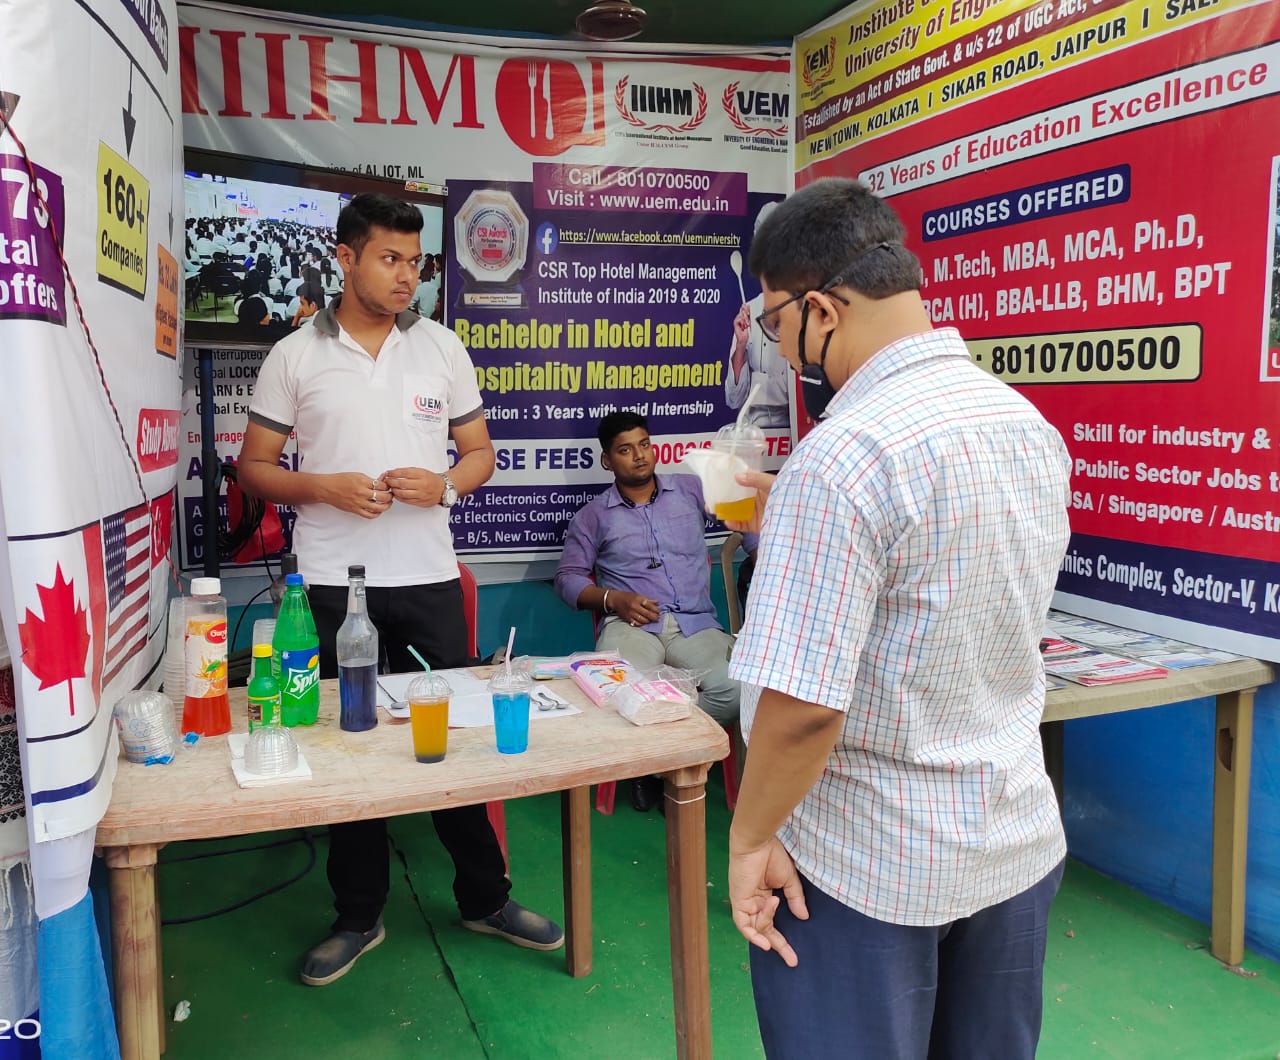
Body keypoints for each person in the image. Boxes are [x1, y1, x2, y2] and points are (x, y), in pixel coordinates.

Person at [723, 178, 1071, 1059]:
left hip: (864, 867)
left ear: (822, 311)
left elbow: (805, 706)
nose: (778, 347)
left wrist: (750, 838)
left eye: (775, 323)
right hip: (1010, 842)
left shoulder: (841, 457)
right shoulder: (1023, 422)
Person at [238, 193, 563, 988]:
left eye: (415, 263)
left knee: (452, 737)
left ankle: (485, 898)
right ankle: (358, 914)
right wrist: (324, 488)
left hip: (427, 577)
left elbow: (480, 453)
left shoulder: (442, 347)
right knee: (346, 747)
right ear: (345, 258)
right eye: (389, 259)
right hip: (331, 584)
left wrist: (444, 485)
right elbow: (253, 468)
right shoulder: (295, 355)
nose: (405, 277)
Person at [554, 411, 750, 811]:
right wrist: (614, 599)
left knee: (737, 689)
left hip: (695, 624)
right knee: (617, 692)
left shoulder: (690, 490)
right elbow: (567, 578)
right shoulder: (593, 516)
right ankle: (667, 763)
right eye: (625, 450)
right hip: (632, 627)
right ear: (607, 460)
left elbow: (744, 515)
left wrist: (762, 554)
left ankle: (660, 764)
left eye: (644, 444)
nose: (639, 455)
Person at [726, 202, 791, 429]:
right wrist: (741, 347)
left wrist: (758, 380)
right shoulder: (749, 310)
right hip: (751, 428)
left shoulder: (802, 309)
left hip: (789, 429)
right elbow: (734, 399)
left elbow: (791, 391)